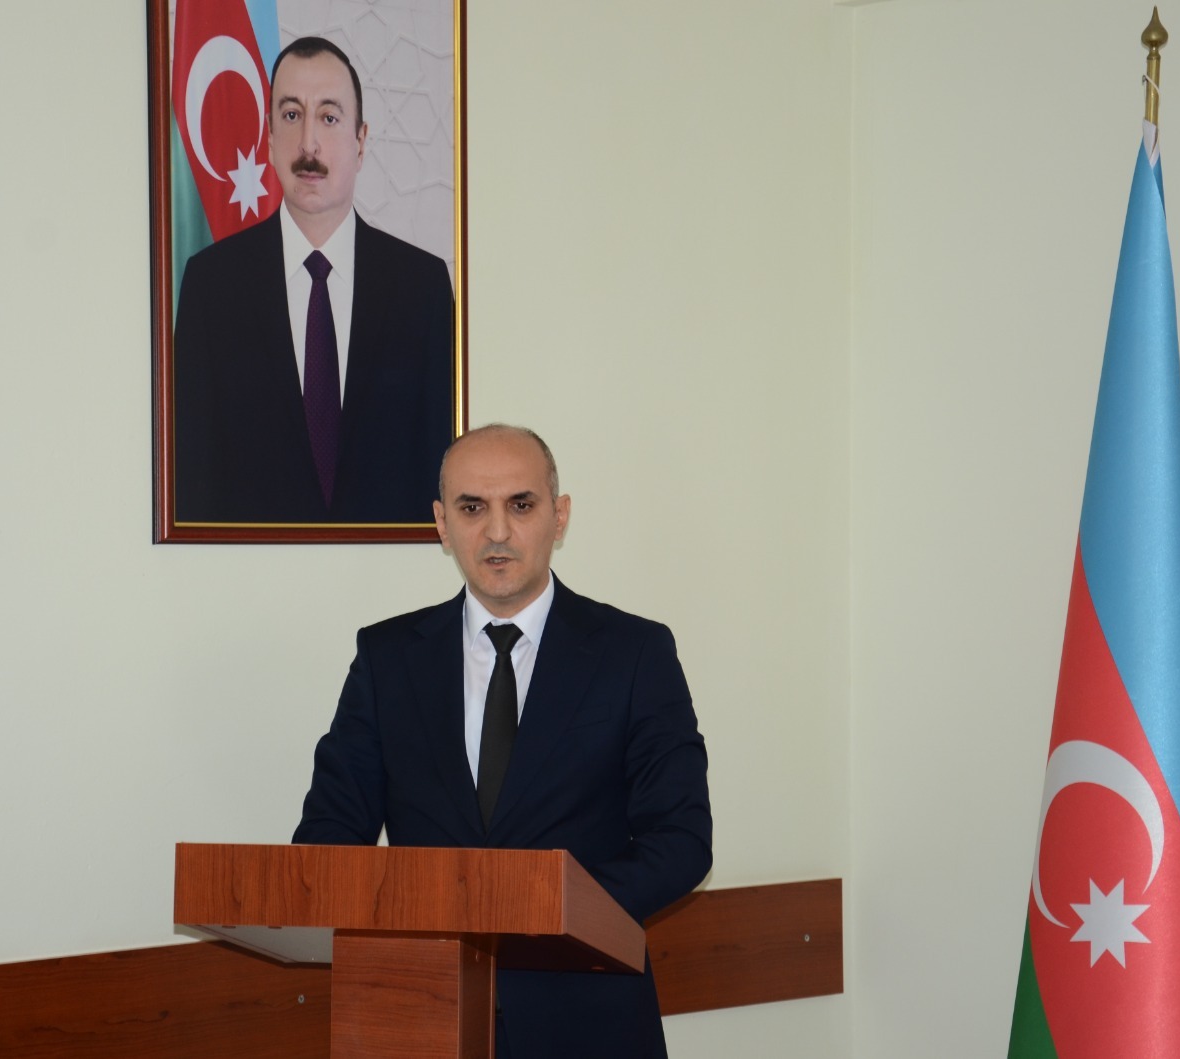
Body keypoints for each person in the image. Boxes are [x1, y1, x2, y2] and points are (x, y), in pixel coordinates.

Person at [293, 424, 713, 1058]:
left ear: (559, 516)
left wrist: (543, 910)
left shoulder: (634, 653)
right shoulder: (387, 658)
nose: (496, 531)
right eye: (472, 508)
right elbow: (329, 837)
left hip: (587, 1019)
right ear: (442, 523)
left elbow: (680, 841)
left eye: (520, 505)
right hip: (420, 1014)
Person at [173, 36, 454, 525]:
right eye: (291, 115)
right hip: (248, 570)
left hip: (389, 570)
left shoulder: (423, 288)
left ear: (361, 140)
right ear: (268, 137)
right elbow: (191, 473)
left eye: (328, 117)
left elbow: (441, 471)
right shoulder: (210, 286)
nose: (308, 144)